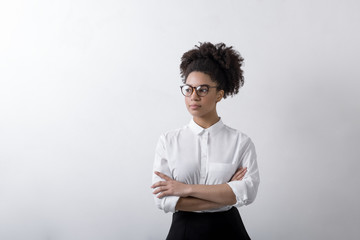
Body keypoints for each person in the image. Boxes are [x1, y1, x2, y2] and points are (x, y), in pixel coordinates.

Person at [151, 42, 260, 240]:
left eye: (202, 89)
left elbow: (248, 193)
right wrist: (225, 194)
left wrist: (186, 190)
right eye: (188, 89)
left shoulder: (240, 142)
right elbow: (163, 200)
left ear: (219, 94)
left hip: (230, 232)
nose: (194, 96)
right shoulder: (168, 141)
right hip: (182, 232)